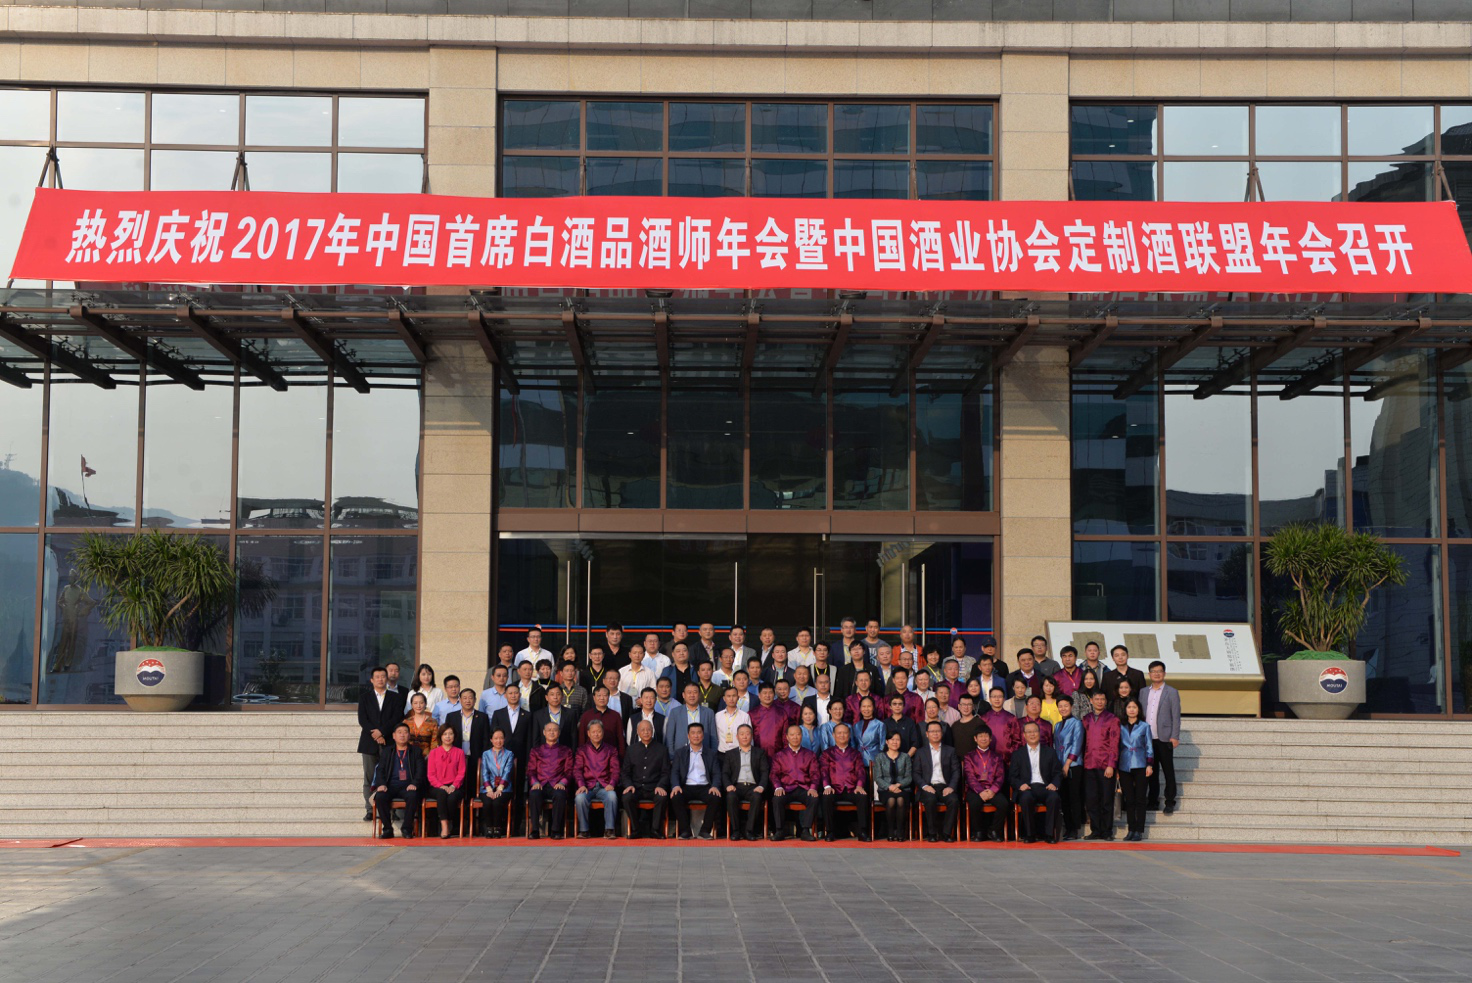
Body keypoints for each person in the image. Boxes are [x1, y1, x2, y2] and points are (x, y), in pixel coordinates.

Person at [357, 666, 405, 822]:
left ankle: (391, 810)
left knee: (390, 776)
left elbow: (397, 717)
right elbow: (363, 719)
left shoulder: (395, 697)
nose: (380, 679)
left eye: (383, 676)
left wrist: (382, 732)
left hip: (388, 741)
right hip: (369, 743)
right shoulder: (365, 697)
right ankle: (370, 809)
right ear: (371, 680)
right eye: (377, 677)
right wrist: (376, 735)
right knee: (369, 777)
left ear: (387, 678)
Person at [1009, 720, 1063, 843]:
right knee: (1026, 798)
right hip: (1027, 788)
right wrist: (1020, 785)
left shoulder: (1050, 752)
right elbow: (1012, 776)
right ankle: (1030, 834)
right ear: (1024, 735)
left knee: (1054, 797)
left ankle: (1049, 834)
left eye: (1035, 731)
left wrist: (1054, 784)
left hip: (1045, 787)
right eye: (1029, 732)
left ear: (1039, 733)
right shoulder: (1018, 754)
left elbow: (1057, 773)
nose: (1032, 734)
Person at [818, 723, 871, 841]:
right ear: (833, 735)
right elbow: (824, 771)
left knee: (862, 797)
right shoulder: (827, 753)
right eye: (839, 733)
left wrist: (859, 786)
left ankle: (862, 831)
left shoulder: (855, 753)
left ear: (849, 735)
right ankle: (830, 832)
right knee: (826, 797)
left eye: (845, 733)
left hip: (852, 788)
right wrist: (827, 786)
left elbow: (861, 771)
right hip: (834, 788)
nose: (842, 735)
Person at [670, 723, 724, 839]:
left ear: (703, 736)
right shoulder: (680, 753)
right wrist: (676, 785)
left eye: (699, 733)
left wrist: (715, 786)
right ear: (688, 736)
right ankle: (685, 831)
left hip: (705, 786)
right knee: (676, 797)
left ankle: (705, 831)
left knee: (716, 797)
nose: (696, 736)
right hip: (686, 786)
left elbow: (716, 773)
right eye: (693, 733)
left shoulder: (711, 753)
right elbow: (675, 772)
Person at [1143, 661, 1182, 815]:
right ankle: (1153, 801)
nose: (1156, 674)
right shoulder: (1143, 692)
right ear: (1149, 674)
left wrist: (1175, 736)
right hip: (1147, 739)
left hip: (1164, 738)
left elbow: (1176, 716)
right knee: (1151, 771)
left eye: (1159, 671)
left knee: (1168, 771)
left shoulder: (1171, 692)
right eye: (1153, 671)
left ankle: (1170, 801)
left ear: (1164, 673)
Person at [371, 722, 423, 839]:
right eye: (399, 732)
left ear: (409, 735)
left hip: (408, 786)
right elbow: (380, 770)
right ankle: (387, 829)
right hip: (390, 786)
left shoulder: (416, 751)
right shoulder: (387, 751)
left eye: (405, 732)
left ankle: (407, 829)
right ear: (394, 736)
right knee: (380, 796)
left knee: (413, 795)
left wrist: (414, 783)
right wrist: (382, 784)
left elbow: (420, 771)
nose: (402, 735)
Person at [620, 719, 670, 840]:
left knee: (662, 797)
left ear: (653, 731)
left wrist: (661, 785)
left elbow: (666, 772)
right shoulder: (631, 750)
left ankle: (655, 830)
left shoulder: (662, 749)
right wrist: (629, 785)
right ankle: (636, 829)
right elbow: (625, 772)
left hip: (654, 788)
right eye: (642, 730)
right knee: (627, 797)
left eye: (648, 729)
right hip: (636, 788)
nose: (646, 732)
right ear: (637, 732)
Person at [1081, 690, 1121, 840]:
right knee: (1092, 799)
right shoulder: (1086, 719)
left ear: (1105, 701)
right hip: (1089, 764)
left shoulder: (1112, 719)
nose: (1099, 701)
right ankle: (1095, 830)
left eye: (1102, 699)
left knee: (1106, 800)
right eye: (1096, 699)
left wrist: (1111, 764)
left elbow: (1114, 743)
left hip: (1105, 765)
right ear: (1091, 701)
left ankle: (1107, 831)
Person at [770, 724, 820, 841]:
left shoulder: (810, 754)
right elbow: (774, 774)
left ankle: (805, 830)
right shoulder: (780, 755)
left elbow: (815, 774)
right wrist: (778, 787)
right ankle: (779, 830)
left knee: (814, 799)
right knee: (777, 799)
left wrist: (813, 787)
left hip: (804, 788)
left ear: (802, 736)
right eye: (792, 735)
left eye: (798, 734)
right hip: (786, 788)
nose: (795, 737)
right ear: (787, 737)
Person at [573, 719, 620, 839]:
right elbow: (577, 770)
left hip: (604, 786)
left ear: (603, 733)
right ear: (588, 733)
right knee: (579, 798)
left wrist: (612, 783)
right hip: (587, 786)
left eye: (598, 731)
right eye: (593, 732)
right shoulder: (582, 750)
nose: (596, 734)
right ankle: (584, 830)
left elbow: (615, 770)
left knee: (612, 796)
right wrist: (581, 785)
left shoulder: (611, 750)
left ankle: (609, 830)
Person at [526, 721, 574, 840]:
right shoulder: (536, 750)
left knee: (560, 794)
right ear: (544, 732)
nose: (552, 732)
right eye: (549, 730)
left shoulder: (566, 750)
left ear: (559, 733)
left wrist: (562, 782)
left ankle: (555, 830)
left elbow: (569, 771)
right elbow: (531, 770)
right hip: (540, 784)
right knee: (534, 794)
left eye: (555, 730)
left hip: (557, 784)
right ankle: (535, 830)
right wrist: (535, 782)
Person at [914, 721, 960, 842]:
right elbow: (916, 773)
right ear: (927, 734)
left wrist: (951, 787)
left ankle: (946, 834)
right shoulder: (920, 752)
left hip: (945, 786)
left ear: (942, 733)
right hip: (928, 786)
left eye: (938, 731)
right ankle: (932, 833)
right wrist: (924, 786)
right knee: (930, 800)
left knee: (954, 800)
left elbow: (956, 771)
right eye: (932, 731)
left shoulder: (950, 751)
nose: (935, 734)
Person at [722, 724, 769, 841]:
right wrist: (728, 785)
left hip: (753, 787)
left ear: (751, 736)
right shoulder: (730, 754)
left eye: (747, 734)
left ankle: (749, 831)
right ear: (737, 736)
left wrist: (761, 786)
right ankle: (736, 831)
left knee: (757, 797)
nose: (744, 736)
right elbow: (725, 773)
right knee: (731, 797)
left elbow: (765, 772)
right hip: (736, 786)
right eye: (742, 734)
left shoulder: (760, 753)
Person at [1118, 698, 1155, 841]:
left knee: (1140, 799)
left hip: (1140, 765)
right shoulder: (1120, 726)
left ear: (1138, 709)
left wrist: (1149, 764)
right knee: (1129, 799)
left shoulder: (1144, 726)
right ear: (1125, 710)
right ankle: (1131, 829)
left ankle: (1139, 830)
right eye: (1129, 707)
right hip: (1124, 765)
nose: (1132, 710)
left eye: (1134, 707)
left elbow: (1149, 746)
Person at [962, 726, 1008, 842]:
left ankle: (994, 830)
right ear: (975, 738)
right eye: (980, 736)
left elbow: (1000, 776)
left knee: (1004, 804)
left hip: (992, 789)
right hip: (975, 790)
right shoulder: (969, 756)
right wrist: (980, 791)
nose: (983, 739)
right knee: (974, 804)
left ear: (990, 739)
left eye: (986, 736)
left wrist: (992, 790)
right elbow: (970, 777)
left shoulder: (997, 756)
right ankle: (978, 832)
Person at [1053, 695, 1085, 841]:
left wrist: (1067, 764)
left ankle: (1075, 829)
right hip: (1060, 766)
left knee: (1074, 797)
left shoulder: (1077, 723)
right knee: (1064, 798)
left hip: (1073, 766)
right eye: (1060, 706)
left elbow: (1076, 745)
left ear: (1071, 707)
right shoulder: (1057, 725)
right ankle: (1068, 827)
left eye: (1066, 705)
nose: (1063, 708)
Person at [871, 730, 912, 842]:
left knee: (900, 799)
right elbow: (878, 778)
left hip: (903, 789)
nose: (895, 742)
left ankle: (900, 831)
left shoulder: (905, 757)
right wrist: (890, 787)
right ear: (887, 742)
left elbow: (909, 777)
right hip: (885, 790)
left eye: (897, 739)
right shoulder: (879, 757)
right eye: (892, 739)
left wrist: (898, 785)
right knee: (891, 800)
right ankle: (890, 831)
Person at [426, 723, 465, 839]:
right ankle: (444, 826)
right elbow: (431, 775)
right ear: (440, 736)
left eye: (450, 734)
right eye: (445, 734)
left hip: (455, 786)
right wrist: (441, 786)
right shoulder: (433, 753)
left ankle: (449, 822)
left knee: (452, 798)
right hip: (437, 786)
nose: (448, 737)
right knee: (442, 794)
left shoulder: (459, 752)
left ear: (454, 736)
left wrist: (453, 786)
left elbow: (461, 773)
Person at [478, 728, 516, 837]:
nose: (498, 741)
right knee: (488, 802)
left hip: (505, 788)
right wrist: (489, 789)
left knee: (497, 802)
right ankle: (489, 828)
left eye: (501, 738)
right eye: (495, 738)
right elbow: (484, 772)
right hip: (487, 787)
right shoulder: (486, 754)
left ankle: (498, 828)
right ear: (491, 740)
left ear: (504, 739)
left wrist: (500, 788)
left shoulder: (509, 754)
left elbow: (507, 772)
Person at [665, 683, 717, 755]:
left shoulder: (709, 712)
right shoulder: (675, 712)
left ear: (699, 694)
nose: (692, 695)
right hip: (681, 754)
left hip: (703, 754)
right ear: (683, 695)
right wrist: (672, 756)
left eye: (695, 692)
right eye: (689, 692)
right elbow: (670, 737)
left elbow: (713, 736)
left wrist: (713, 755)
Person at [747, 682, 787, 761]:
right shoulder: (752, 714)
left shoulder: (781, 713)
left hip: (778, 756)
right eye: (765, 693)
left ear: (774, 695)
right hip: (757, 756)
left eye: (770, 693)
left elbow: (785, 737)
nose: (768, 696)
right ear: (759, 695)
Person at [578, 685, 625, 751]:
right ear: (594, 697)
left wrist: (621, 754)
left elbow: (620, 737)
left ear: (608, 697)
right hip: (590, 754)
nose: (602, 698)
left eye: (605, 695)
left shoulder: (615, 715)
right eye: (599, 695)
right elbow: (582, 738)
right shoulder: (586, 716)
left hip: (611, 754)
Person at [533, 683, 577, 750]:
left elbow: (573, 737)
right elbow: (536, 738)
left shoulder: (570, 714)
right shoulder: (538, 715)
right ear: (546, 697)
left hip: (564, 753)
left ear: (562, 697)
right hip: (544, 753)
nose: (555, 697)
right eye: (552, 694)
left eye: (558, 694)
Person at [712, 681, 750, 753]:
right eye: (728, 696)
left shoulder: (745, 716)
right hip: (722, 752)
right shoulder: (718, 716)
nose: (731, 699)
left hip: (739, 752)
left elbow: (749, 736)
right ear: (724, 698)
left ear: (738, 697)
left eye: (734, 696)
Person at [851, 695, 885, 765]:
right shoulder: (856, 725)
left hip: (874, 760)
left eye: (869, 706)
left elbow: (882, 745)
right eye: (864, 706)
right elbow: (853, 744)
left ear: (873, 708)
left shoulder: (880, 724)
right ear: (860, 708)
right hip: (858, 760)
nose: (866, 709)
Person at [402, 692, 437, 758]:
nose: (418, 706)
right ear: (412, 705)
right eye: (415, 703)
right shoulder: (406, 722)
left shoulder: (432, 722)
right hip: (409, 757)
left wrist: (430, 756)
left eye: (421, 703)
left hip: (427, 758)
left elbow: (434, 743)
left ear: (425, 704)